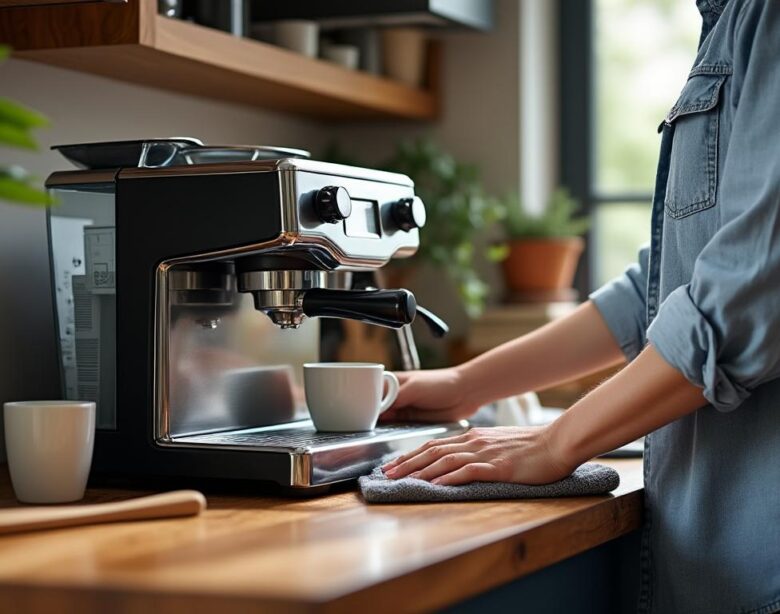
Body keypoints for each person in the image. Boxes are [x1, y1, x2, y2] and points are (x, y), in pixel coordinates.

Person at [380, 1, 780, 612]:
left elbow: (748, 295)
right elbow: (662, 285)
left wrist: (553, 444)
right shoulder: (730, 20)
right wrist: (467, 384)